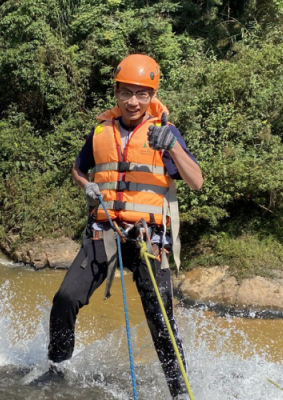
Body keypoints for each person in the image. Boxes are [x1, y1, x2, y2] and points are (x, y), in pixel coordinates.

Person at [47, 54, 203, 399]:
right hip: (104, 232)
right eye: (126, 93)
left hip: (149, 238)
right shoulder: (101, 131)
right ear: (115, 93)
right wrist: (85, 185)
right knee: (65, 298)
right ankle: (56, 366)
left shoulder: (165, 133)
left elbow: (196, 181)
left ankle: (180, 391)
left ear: (152, 96)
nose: (133, 101)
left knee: (160, 319)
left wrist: (174, 147)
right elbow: (78, 168)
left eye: (142, 94)